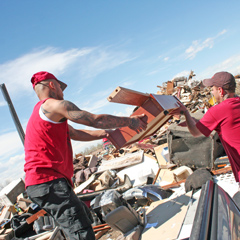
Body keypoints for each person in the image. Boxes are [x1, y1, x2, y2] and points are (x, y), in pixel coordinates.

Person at [24, 71, 147, 240]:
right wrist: (130, 121)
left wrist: (104, 133)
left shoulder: (43, 114)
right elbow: (94, 119)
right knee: (80, 231)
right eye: (60, 86)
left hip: (43, 183)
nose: (63, 91)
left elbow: (75, 133)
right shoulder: (53, 105)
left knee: (78, 218)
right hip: (48, 181)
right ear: (52, 85)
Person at [171, 71, 240, 184]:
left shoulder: (218, 110)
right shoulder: (236, 103)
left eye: (212, 89)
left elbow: (195, 132)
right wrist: (195, 121)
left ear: (220, 91)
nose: (212, 92)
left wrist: (186, 113)